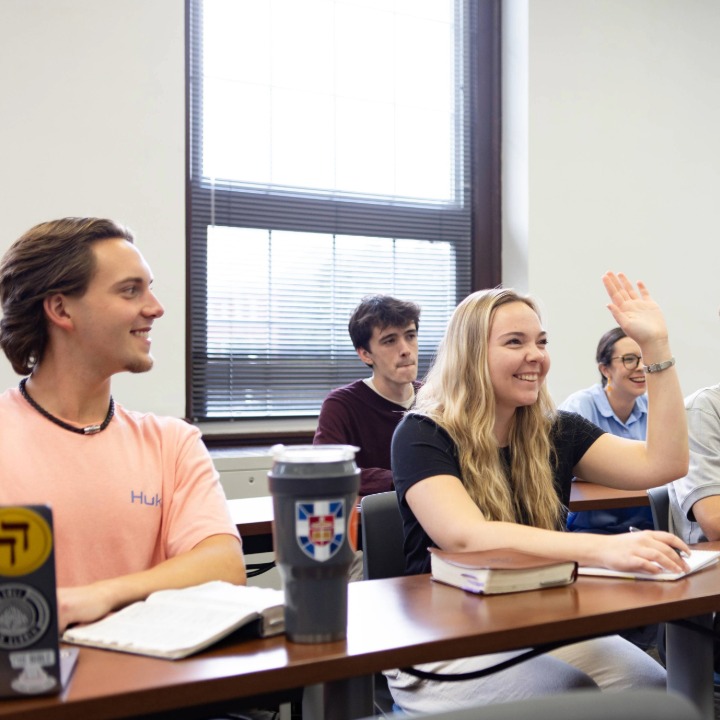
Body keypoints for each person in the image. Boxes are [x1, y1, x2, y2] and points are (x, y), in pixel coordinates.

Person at [387, 273, 689, 713]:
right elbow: (465, 536)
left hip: (535, 623)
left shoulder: (555, 430)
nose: (536, 357)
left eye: (541, 342)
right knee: (567, 693)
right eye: (515, 342)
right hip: (441, 639)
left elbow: (665, 464)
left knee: (650, 685)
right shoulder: (422, 433)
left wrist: (657, 348)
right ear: (471, 355)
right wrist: (601, 550)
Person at [0, 217, 246, 633]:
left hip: (156, 686)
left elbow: (224, 564)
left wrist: (99, 596)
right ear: (61, 309)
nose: (156, 307)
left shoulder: (172, 441)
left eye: (149, 287)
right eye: (131, 290)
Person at [314, 294, 421, 496]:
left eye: (410, 336)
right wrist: (411, 479)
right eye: (390, 341)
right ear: (365, 354)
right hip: (372, 519)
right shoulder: (341, 404)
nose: (406, 350)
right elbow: (326, 469)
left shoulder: (435, 398)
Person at [560, 327, 654, 534]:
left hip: (648, 529)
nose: (641, 368)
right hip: (591, 530)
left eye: (644, 359)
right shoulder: (579, 407)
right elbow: (565, 468)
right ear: (605, 370)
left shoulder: (654, 408)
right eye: (629, 359)